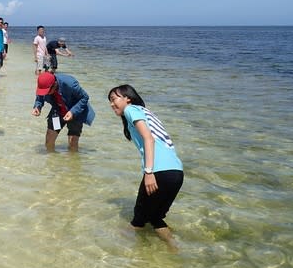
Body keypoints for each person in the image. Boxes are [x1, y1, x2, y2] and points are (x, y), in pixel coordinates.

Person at [107, 84, 184, 246]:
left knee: (138, 221)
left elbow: (149, 139)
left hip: (158, 171)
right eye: (110, 101)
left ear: (128, 98)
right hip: (176, 173)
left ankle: (123, 252)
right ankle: (174, 248)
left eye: (114, 99)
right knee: (155, 218)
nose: (111, 104)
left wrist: (149, 172)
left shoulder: (131, 110)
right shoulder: (146, 112)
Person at [32, 72, 95, 152]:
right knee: (49, 141)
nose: (46, 94)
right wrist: (38, 106)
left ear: (54, 85)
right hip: (57, 110)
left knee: (72, 143)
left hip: (75, 111)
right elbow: (40, 96)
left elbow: (84, 97)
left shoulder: (70, 83)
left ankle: (72, 163)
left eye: (47, 91)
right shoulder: (45, 85)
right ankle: (52, 162)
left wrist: (72, 112)